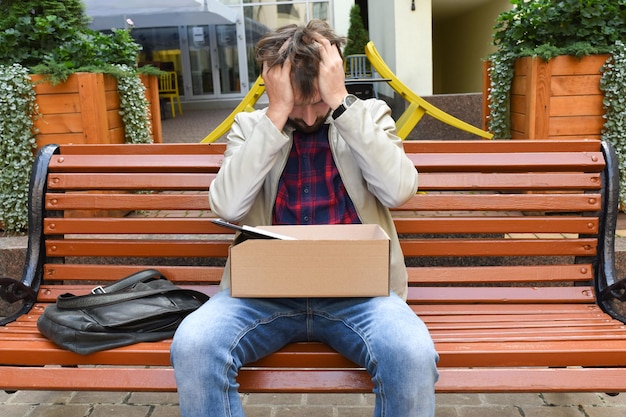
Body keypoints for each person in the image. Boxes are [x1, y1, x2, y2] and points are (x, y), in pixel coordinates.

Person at [171, 20, 439, 417]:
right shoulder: (251, 127)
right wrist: (277, 113)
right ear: (275, 87)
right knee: (194, 345)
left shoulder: (369, 116)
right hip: (262, 294)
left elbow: (399, 189)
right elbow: (226, 206)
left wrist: (341, 103)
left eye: (318, 101)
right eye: (298, 101)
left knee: (412, 354)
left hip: (361, 293)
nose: (311, 117)